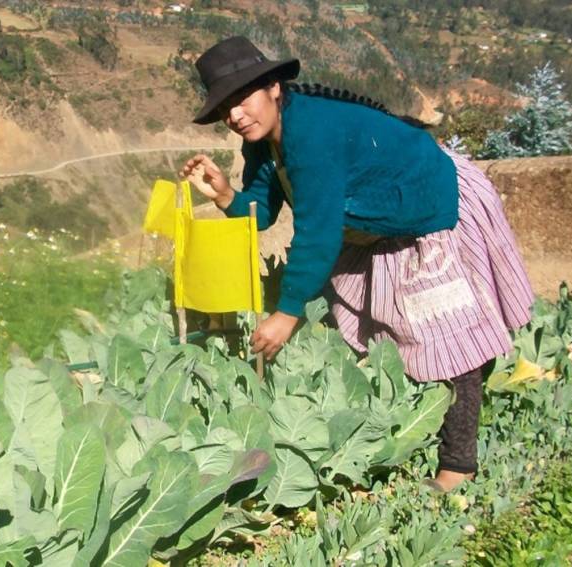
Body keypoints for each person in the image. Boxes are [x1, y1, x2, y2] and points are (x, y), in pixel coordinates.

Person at [180, 36, 534, 492]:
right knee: (384, 325)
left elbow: (318, 229)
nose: (235, 115)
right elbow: (263, 213)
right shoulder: (264, 142)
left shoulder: (311, 132)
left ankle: (458, 464)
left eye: (241, 98)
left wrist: (287, 314)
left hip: (429, 204)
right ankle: (413, 409)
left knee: (449, 332)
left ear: (272, 86)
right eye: (225, 106)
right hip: (375, 221)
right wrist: (226, 193)